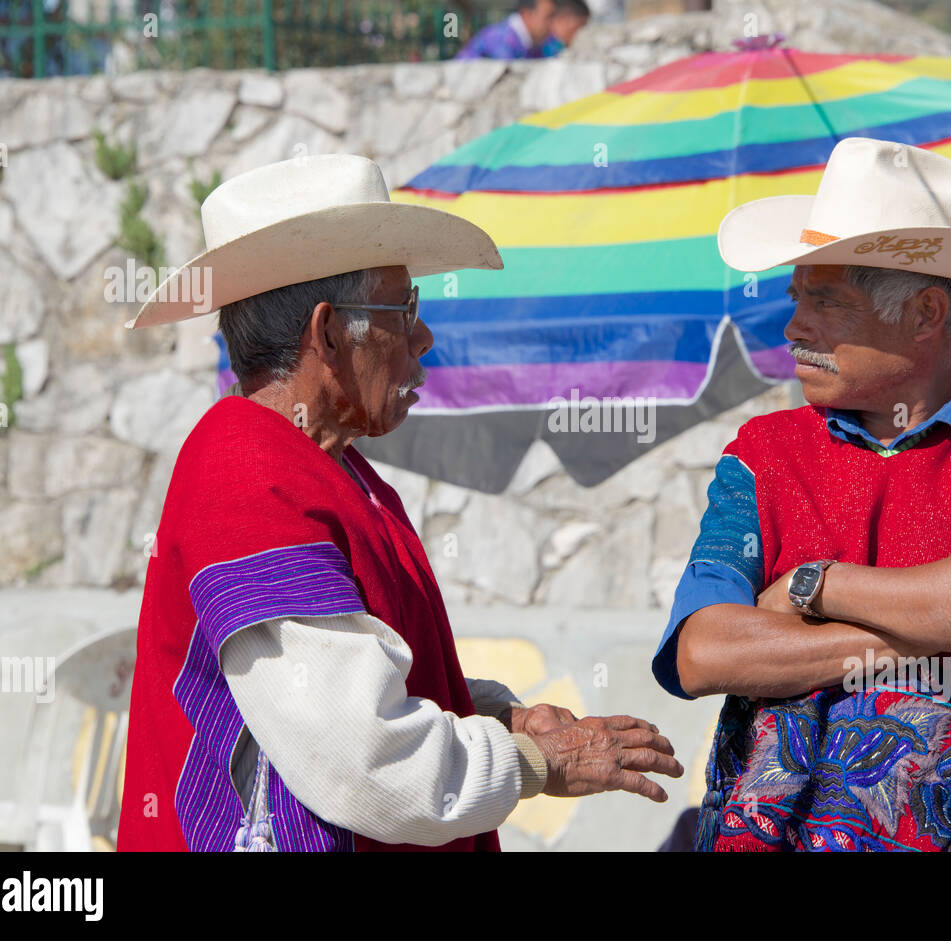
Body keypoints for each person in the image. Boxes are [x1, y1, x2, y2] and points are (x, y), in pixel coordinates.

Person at [117, 153, 682, 851]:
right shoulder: (245, 471)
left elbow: (354, 685)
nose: (423, 337)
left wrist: (498, 717)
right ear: (327, 334)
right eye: (403, 309)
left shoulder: (331, 472)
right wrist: (539, 762)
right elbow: (361, 758)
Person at [652, 137, 951, 852]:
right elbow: (705, 651)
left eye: (825, 301)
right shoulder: (762, 453)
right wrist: (936, 611)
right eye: (796, 298)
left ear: (925, 312)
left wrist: (813, 586)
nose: (793, 327)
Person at [456, 0, 555, 61]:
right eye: (548, 17)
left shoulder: (536, 44)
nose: (552, 24)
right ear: (526, 14)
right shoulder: (499, 40)